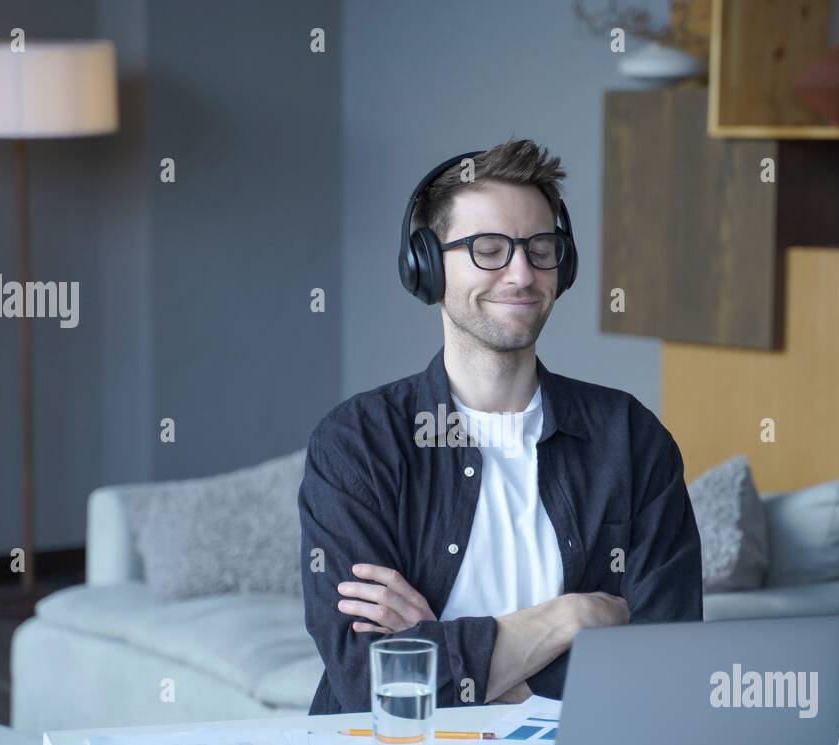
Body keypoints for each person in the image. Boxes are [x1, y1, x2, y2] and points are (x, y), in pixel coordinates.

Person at [299, 138, 702, 715]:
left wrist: (449, 657)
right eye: (488, 249)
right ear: (427, 267)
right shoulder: (357, 442)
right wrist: (576, 615)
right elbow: (371, 682)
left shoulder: (631, 438)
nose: (521, 273)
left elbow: (667, 663)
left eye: (541, 248)